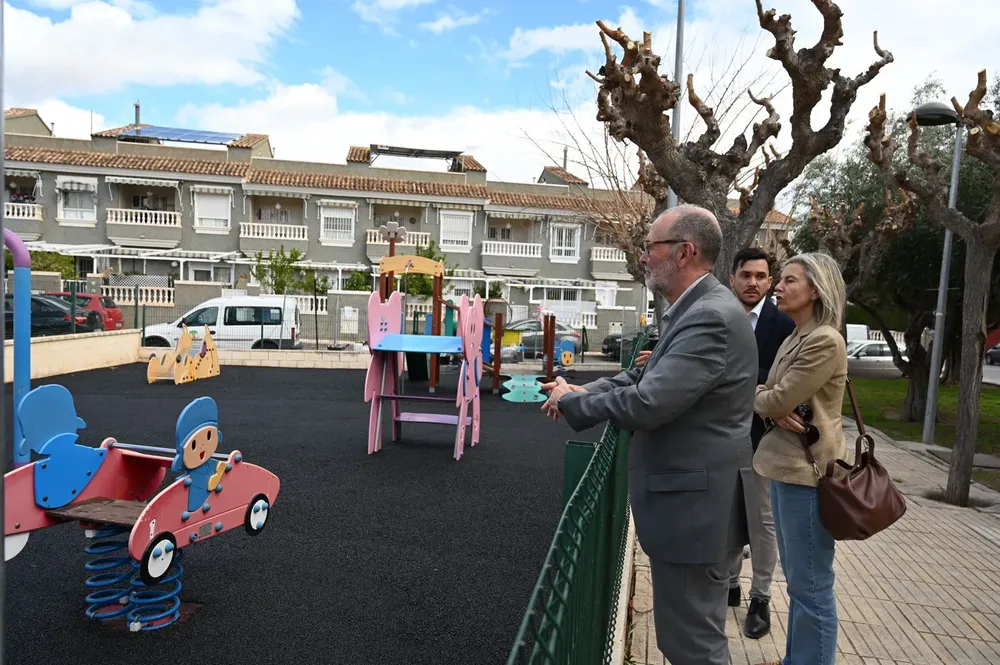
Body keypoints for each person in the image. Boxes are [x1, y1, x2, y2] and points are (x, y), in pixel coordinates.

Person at [540, 204, 758, 665]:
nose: (642, 257)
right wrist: (582, 389)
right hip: (696, 507)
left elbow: (649, 402)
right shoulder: (698, 308)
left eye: (650, 247)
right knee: (688, 640)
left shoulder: (709, 317)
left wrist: (572, 401)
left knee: (692, 646)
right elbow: (647, 378)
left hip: (694, 511)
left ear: (684, 252)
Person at [752, 252, 848, 665]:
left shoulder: (825, 340)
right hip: (783, 468)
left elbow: (778, 398)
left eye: (789, 281)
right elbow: (768, 397)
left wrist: (763, 400)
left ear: (815, 289)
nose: (779, 286)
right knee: (798, 584)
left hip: (806, 475)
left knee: (811, 586)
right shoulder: (796, 336)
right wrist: (765, 400)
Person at [725, 247, 795, 639]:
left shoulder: (783, 323)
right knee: (728, 513)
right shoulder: (720, 314)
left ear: (770, 281)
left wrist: (740, 377)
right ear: (733, 277)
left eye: (761, 276)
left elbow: (786, 374)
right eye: (746, 274)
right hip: (721, 435)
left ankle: (761, 597)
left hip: (765, 436)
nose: (753, 282)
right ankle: (730, 584)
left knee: (763, 522)